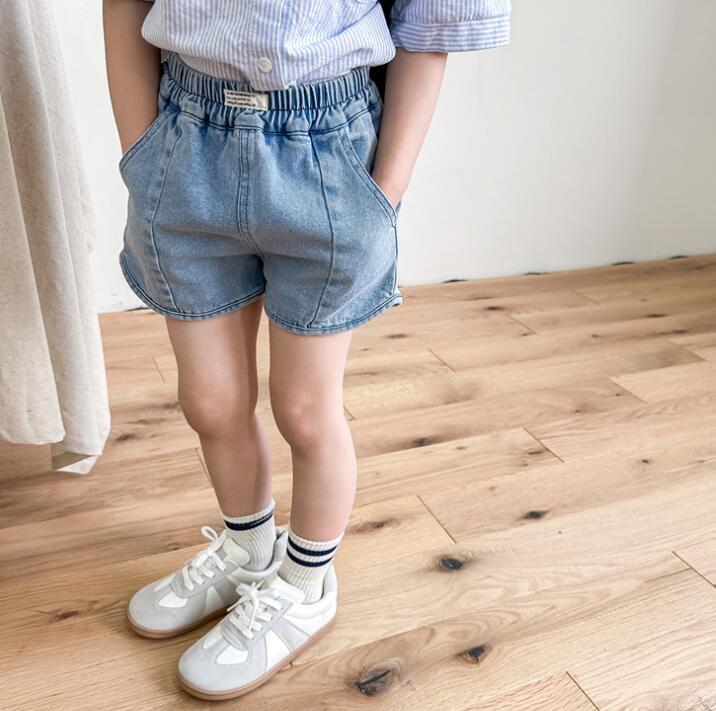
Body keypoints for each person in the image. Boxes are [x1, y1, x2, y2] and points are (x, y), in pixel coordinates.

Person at [103, 0, 511, 700]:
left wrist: (383, 196)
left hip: (328, 152)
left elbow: (430, 25)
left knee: (304, 408)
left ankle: (305, 583)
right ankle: (246, 547)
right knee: (209, 401)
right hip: (185, 139)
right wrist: (141, 156)